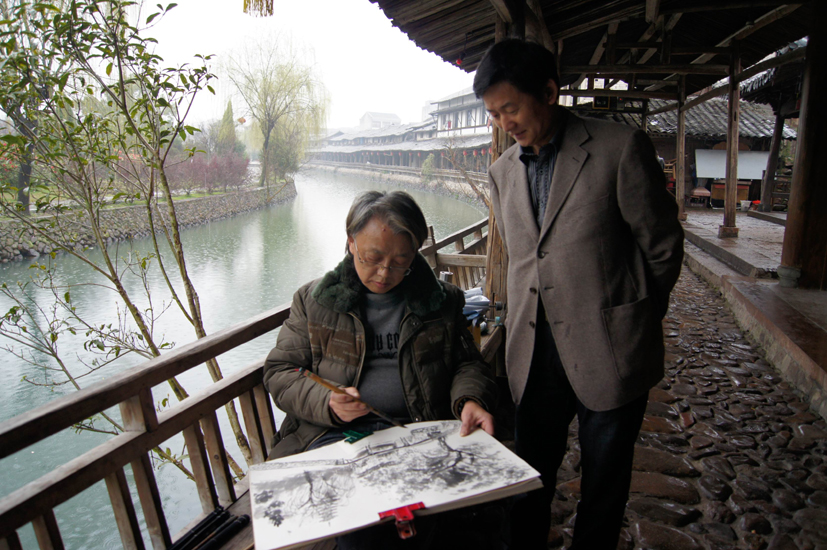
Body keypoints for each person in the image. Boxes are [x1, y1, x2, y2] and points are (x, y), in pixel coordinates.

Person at [473, 39, 685, 549]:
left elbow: (662, 246)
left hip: (610, 347)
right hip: (533, 349)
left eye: (511, 108)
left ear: (549, 92)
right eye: (494, 114)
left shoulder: (619, 148)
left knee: (604, 486)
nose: (504, 123)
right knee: (528, 478)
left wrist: (634, 317)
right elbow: (525, 258)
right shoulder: (502, 172)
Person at [263, 190, 500, 549]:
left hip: (419, 432)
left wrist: (469, 400)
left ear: (415, 252)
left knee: (460, 517)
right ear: (351, 242)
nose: (385, 272)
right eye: (372, 258)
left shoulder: (441, 301)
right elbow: (280, 371)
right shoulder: (315, 302)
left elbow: (468, 363)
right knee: (364, 527)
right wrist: (328, 402)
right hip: (335, 437)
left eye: (401, 260)